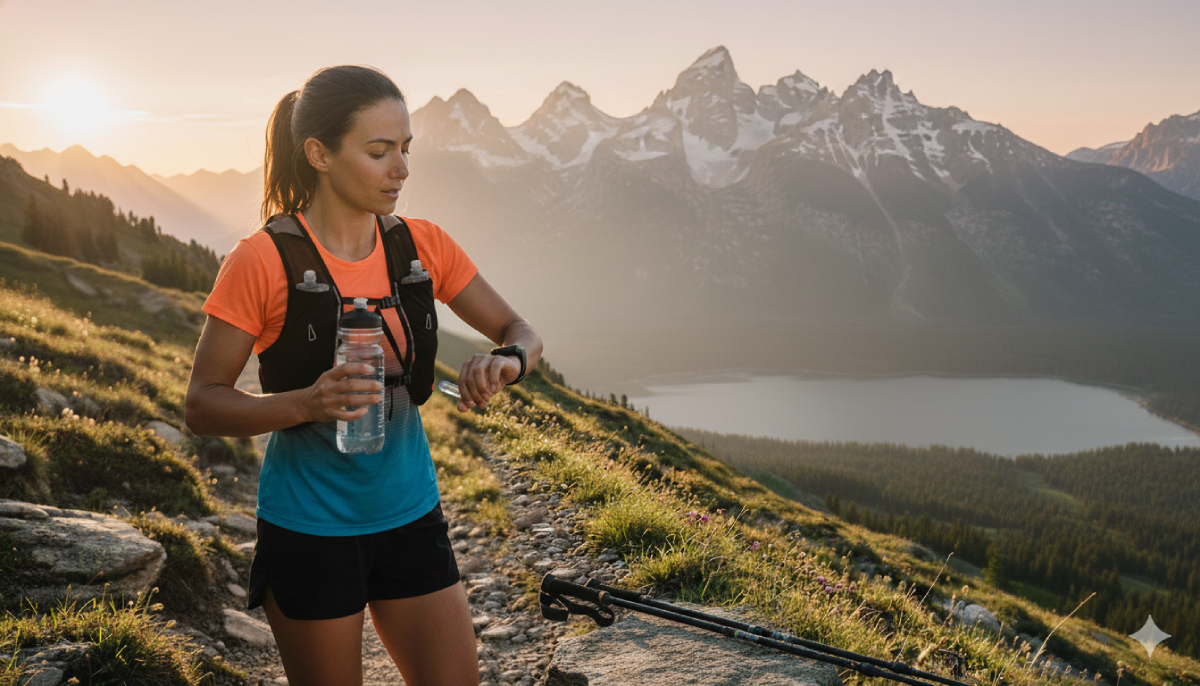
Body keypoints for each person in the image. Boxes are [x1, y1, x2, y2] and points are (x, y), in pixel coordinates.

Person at [185, 65, 541, 686]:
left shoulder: (422, 245)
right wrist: (306, 403)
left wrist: (504, 362)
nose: (400, 168)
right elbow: (202, 405)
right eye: (379, 152)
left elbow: (523, 333)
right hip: (309, 530)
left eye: (405, 150)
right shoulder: (261, 261)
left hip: (411, 515)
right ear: (318, 154)